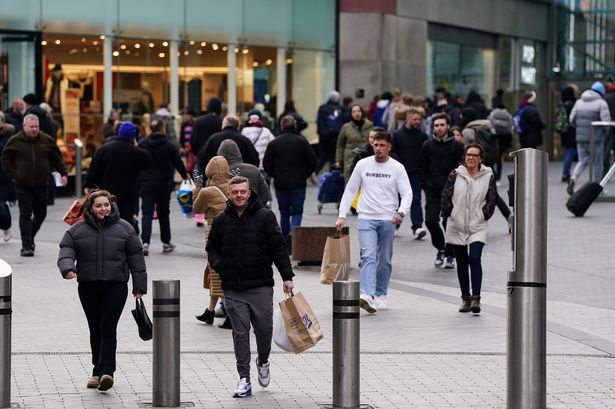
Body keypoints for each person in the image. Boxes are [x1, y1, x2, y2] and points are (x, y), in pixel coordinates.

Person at [206, 176, 294, 398]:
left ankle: (263, 360)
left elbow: (278, 248)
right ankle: (244, 379)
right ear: (229, 194)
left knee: (264, 329)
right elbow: (211, 248)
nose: (239, 195)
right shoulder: (221, 221)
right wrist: (220, 265)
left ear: (249, 192)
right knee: (240, 333)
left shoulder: (265, 217)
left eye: (242, 192)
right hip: (233, 288)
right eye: (235, 192)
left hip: (260, 285)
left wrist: (287, 276)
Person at [57, 189, 147, 392]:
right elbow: (66, 250)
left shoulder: (125, 228)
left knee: (107, 327)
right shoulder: (77, 230)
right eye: (98, 206)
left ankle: (107, 372)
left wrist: (139, 287)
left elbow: (136, 257)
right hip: (88, 286)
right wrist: (68, 268)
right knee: (95, 328)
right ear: (90, 208)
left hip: (116, 286)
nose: (103, 209)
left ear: (111, 205)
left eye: (106, 205)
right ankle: (96, 371)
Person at [336, 130, 412, 313]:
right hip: (366, 218)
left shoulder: (397, 168)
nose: (378, 148)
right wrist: (342, 215)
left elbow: (407, 193)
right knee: (368, 256)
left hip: (388, 218)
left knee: (384, 260)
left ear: (389, 147)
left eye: (382, 145)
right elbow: (350, 189)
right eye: (375, 145)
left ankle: (381, 294)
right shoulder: (363, 164)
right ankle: (367, 295)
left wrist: (401, 213)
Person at [0, 114, 67, 256]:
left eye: (36, 126)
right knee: (25, 214)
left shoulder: (46, 140)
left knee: (41, 214)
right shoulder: (15, 141)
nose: (34, 129)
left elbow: (56, 158)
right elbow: (5, 159)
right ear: (24, 126)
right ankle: (26, 246)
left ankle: (29, 237)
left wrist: (63, 173)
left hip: (42, 184)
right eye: (31, 127)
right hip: (22, 185)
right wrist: (14, 175)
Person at [441, 144, 496, 314]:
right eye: (468, 155)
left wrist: (482, 215)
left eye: (474, 155)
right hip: (456, 225)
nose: (471, 158)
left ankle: (476, 298)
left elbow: (492, 200)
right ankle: (465, 298)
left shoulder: (488, 175)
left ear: (480, 158)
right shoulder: (455, 174)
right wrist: (452, 213)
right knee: (462, 262)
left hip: (477, 225)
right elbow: (445, 197)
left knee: (474, 258)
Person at [85, 122, 152, 232]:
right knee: (125, 221)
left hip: (107, 193)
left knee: (106, 219)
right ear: (133, 137)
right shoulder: (139, 153)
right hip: (129, 194)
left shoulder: (103, 149)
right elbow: (148, 171)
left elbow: (93, 170)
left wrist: (88, 185)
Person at [418, 113, 465, 269]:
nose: (439, 128)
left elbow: (463, 167)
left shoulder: (457, 146)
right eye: (436, 125)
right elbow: (422, 167)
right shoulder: (427, 145)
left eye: (442, 125)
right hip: (433, 190)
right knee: (430, 220)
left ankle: (450, 254)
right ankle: (441, 248)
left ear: (448, 126)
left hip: (452, 191)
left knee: (449, 223)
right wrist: (426, 185)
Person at [263, 115, 317, 246]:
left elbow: (266, 163)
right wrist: (304, 174)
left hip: (281, 182)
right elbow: (312, 161)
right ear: (295, 126)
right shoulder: (302, 141)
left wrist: (275, 174)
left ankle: (285, 240)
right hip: (298, 182)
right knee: (297, 211)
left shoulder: (274, 143)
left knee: (284, 212)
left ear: (282, 126)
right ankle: (293, 235)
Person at [138, 119, 188, 255]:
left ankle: (145, 242)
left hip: (146, 184)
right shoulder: (169, 145)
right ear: (162, 129)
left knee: (146, 213)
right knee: (163, 214)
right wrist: (185, 175)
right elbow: (177, 162)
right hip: (164, 184)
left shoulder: (142, 144)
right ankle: (166, 242)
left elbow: (137, 162)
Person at [193, 156, 230, 327]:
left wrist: (197, 189)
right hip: (232, 232)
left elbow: (197, 209)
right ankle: (210, 311)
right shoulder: (233, 186)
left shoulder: (207, 191)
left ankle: (231, 315)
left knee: (216, 274)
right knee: (214, 272)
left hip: (214, 234)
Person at [568, 82, 611, 195]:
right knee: (598, 163)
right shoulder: (601, 103)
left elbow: (571, 120)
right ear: (601, 92)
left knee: (582, 160)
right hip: (596, 139)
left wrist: (579, 129)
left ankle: (573, 178)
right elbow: (606, 123)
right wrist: (605, 133)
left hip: (581, 138)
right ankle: (598, 190)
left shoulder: (579, 102)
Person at [392, 107, 429, 239]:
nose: (417, 122)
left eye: (419, 119)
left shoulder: (423, 137)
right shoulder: (397, 135)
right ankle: (394, 226)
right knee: (397, 200)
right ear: (407, 119)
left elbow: (426, 155)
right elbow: (392, 152)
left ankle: (417, 227)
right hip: (399, 174)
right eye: (415, 119)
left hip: (415, 174)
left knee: (416, 200)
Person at [217, 139, 271, 206]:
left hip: (228, 210)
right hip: (253, 209)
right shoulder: (254, 169)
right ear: (238, 153)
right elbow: (265, 195)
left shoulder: (218, 173)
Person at [335, 104, 374, 182]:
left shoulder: (370, 126)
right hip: (350, 157)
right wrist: (338, 160)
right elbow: (340, 145)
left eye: (358, 111)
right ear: (351, 114)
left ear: (362, 112)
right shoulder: (346, 127)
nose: (357, 113)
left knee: (366, 181)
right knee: (350, 180)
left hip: (366, 157)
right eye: (354, 111)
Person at [315, 90, 343, 174]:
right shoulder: (339, 109)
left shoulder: (322, 107)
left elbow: (318, 121)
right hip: (335, 136)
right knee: (333, 157)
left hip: (323, 136)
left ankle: (315, 171)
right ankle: (332, 174)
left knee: (322, 155)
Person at [241, 109, 275, 175]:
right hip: (263, 165)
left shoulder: (245, 131)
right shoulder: (266, 131)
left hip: (250, 166)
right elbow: (273, 145)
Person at [0, 113, 16, 242]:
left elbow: (7, 152)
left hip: (3, 175)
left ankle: (6, 226)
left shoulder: (8, 136)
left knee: (1, 205)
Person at [557, 86, 578, 182]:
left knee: (568, 151)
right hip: (571, 132)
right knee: (571, 151)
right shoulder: (572, 105)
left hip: (564, 132)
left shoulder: (562, 105)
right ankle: (565, 173)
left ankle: (566, 173)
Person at [488, 104, 513, 183]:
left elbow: (489, 125)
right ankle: (498, 178)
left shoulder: (492, 114)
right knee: (499, 159)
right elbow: (510, 128)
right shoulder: (508, 115)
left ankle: (493, 175)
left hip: (494, 138)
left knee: (492, 158)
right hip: (504, 139)